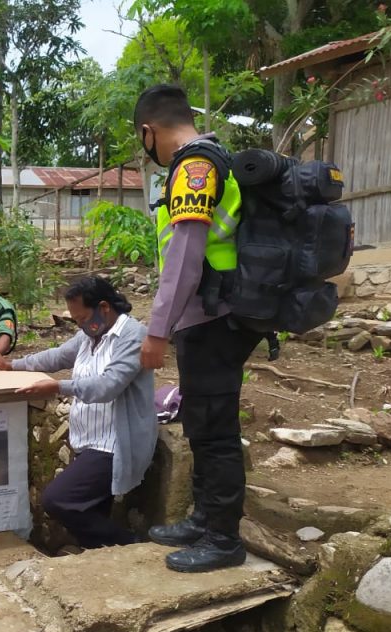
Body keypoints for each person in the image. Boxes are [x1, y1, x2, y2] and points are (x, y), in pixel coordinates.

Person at [134, 84, 263, 573]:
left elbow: (185, 259)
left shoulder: (194, 167)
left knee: (216, 430)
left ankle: (223, 539)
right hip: (210, 315)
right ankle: (205, 518)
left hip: (212, 317)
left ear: (149, 131)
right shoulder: (209, 161)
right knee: (205, 425)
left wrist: (157, 331)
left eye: (141, 140)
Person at [0, 277, 156, 549]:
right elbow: (56, 357)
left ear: (104, 307)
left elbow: (108, 386)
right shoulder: (90, 334)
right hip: (89, 438)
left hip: (116, 443)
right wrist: (12, 365)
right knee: (91, 509)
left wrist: (58, 387)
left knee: (57, 499)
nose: (79, 325)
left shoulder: (132, 336)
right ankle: (102, 554)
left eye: (82, 318)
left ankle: (131, 545)